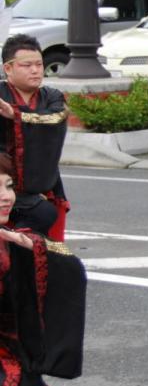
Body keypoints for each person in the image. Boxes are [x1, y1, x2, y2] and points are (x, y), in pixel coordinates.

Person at [0, 152, 86, 386]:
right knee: (15, 377)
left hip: (12, 346)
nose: (6, 196)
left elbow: (70, 273)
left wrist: (34, 247)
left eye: (8, 187)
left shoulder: (15, 236)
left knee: (24, 373)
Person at [0, 35, 68, 238]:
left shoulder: (52, 96)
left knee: (45, 215)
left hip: (41, 186)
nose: (35, 70)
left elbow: (56, 119)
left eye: (39, 64)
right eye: (27, 65)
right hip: (4, 187)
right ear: (8, 69)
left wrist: (17, 115)